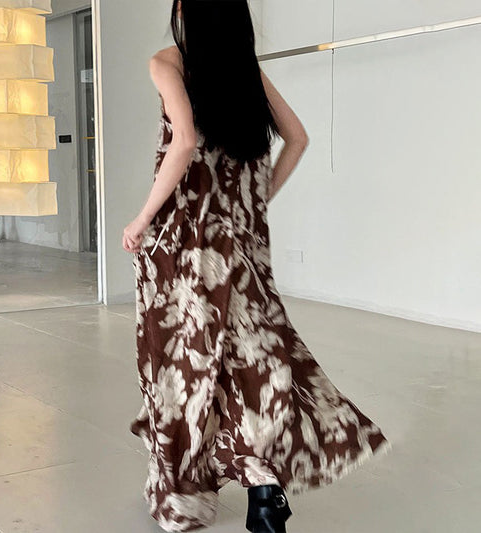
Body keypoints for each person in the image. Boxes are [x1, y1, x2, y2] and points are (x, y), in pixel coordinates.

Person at [122, 1, 392, 532]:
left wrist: (142, 218)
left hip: (184, 245)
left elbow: (185, 142)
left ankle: (185, 492)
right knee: (251, 362)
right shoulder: (244, 71)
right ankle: (264, 492)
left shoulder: (167, 63)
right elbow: (298, 139)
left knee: (185, 364)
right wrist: (254, 201)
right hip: (243, 246)